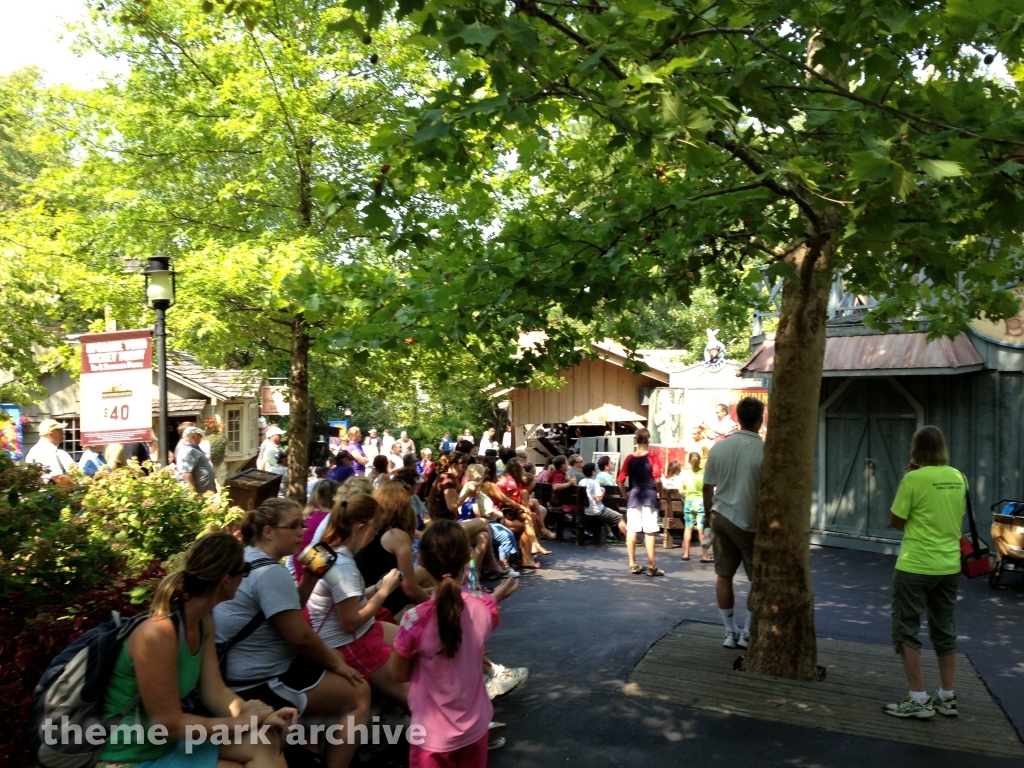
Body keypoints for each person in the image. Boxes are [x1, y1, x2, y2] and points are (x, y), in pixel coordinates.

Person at [96, 532, 295, 768]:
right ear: (225, 581)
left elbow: (216, 693)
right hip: (127, 756)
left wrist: (262, 716)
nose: (245, 577)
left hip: (163, 744)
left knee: (266, 741)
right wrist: (244, 722)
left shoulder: (202, 621)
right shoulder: (158, 635)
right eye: (244, 571)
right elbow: (168, 725)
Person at [213, 498, 371, 768]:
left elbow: (285, 613)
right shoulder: (272, 573)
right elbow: (300, 638)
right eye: (293, 526)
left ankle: (308, 754)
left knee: (331, 662)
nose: (301, 532)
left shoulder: (250, 558)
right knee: (360, 693)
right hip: (261, 679)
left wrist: (309, 579)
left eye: (303, 524)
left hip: (245, 671)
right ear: (268, 531)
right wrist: (338, 665)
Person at [392, 520, 519, 768]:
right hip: (475, 728)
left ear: (422, 561)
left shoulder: (414, 619)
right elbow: (474, 625)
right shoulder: (485, 608)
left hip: (430, 735)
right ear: (467, 558)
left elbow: (398, 674)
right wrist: (496, 597)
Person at [884, 426, 965, 719]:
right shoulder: (958, 477)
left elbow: (896, 520)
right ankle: (947, 696)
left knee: (906, 627)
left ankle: (918, 699)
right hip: (950, 565)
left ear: (915, 449)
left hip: (916, 564)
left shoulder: (912, 479)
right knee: (944, 628)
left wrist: (913, 476)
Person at [307, 495, 407, 705]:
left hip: (354, 634)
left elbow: (342, 598)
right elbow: (350, 621)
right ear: (360, 528)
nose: (376, 534)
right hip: (348, 644)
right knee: (414, 695)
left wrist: (378, 586)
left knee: (413, 641)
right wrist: (384, 592)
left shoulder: (321, 550)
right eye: (375, 528)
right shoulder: (344, 566)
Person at [702, 397, 764, 649]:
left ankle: (730, 632)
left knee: (723, 575)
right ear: (760, 420)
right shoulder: (764, 450)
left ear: (736, 418)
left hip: (720, 516)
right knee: (758, 580)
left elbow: (708, 487)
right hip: (750, 521)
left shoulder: (719, 448)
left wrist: (708, 516)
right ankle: (748, 631)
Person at [357, 480, 433, 620]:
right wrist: (435, 604)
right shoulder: (396, 536)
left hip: (370, 592)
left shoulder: (371, 529)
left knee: (426, 570)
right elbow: (410, 590)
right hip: (387, 606)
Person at [617, 428, 664, 577]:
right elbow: (657, 479)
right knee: (649, 532)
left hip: (634, 496)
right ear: (649, 440)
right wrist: (660, 493)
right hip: (649, 496)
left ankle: (632, 563)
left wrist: (625, 495)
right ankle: (651, 566)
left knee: (632, 529)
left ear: (635, 441)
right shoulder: (653, 458)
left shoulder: (630, 458)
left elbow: (620, 480)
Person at [287, 478, 341, 582]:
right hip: (311, 575)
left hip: (296, 571)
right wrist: (336, 580)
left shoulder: (304, 516)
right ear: (333, 497)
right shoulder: (328, 519)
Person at [581, 462, 627, 543]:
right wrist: (603, 491)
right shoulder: (594, 483)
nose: (597, 471)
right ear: (593, 472)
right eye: (596, 469)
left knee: (607, 514)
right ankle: (630, 538)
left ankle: (611, 536)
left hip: (585, 510)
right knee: (619, 517)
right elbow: (598, 499)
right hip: (597, 510)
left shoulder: (581, 481)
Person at [24, 418, 74, 486]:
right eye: (59, 431)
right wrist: (78, 489)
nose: (63, 433)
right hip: (46, 495)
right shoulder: (45, 450)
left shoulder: (43, 448)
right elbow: (59, 478)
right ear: (50, 434)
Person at [681, 452, 710, 563]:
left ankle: (686, 553)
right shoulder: (704, 473)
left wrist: (688, 491)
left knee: (688, 528)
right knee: (701, 529)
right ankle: (704, 555)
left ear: (689, 461)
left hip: (689, 502)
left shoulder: (685, 474)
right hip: (701, 502)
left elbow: (680, 491)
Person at [176, 426, 217, 496]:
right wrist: (193, 493)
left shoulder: (193, 448)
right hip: (199, 494)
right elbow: (186, 473)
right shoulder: (188, 451)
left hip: (205, 493)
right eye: (199, 436)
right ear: (193, 437)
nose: (201, 438)